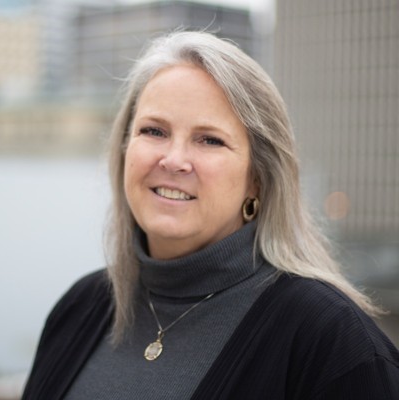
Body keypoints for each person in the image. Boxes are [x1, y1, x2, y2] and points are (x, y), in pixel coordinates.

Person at [22, 31, 399, 400]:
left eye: (209, 139)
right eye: (154, 131)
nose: (173, 160)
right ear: (124, 150)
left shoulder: (333, 342)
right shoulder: (81, 306)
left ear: (257, 178)